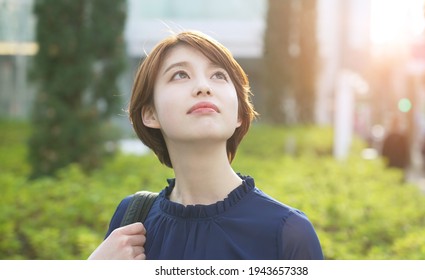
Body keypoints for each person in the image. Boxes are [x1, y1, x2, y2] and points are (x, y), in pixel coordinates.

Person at [88, 30, 323, 260]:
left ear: (239, 113)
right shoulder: (131, 222)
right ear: (150, 114)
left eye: (218, 75)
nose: (204, 87)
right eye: (180, 75)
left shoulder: (287, 233)